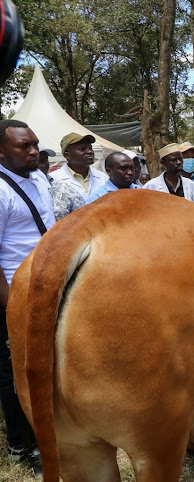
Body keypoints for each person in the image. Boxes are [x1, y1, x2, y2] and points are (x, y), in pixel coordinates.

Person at [0, 120, 51, 475]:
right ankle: (22, 446)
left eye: (35, 144)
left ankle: (47, 431)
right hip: (11, 296)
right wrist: (11, 309)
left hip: (42, 290)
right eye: (24, 146)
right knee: (14, 372)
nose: (33, 151)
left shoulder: (40, 180)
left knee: (42, 365)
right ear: (1, 151)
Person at [50, 131, 107, 201]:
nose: (90, 152)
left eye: (90, 148)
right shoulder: (53, 180)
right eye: (83, 149)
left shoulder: (103, 178)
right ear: (67, 155)